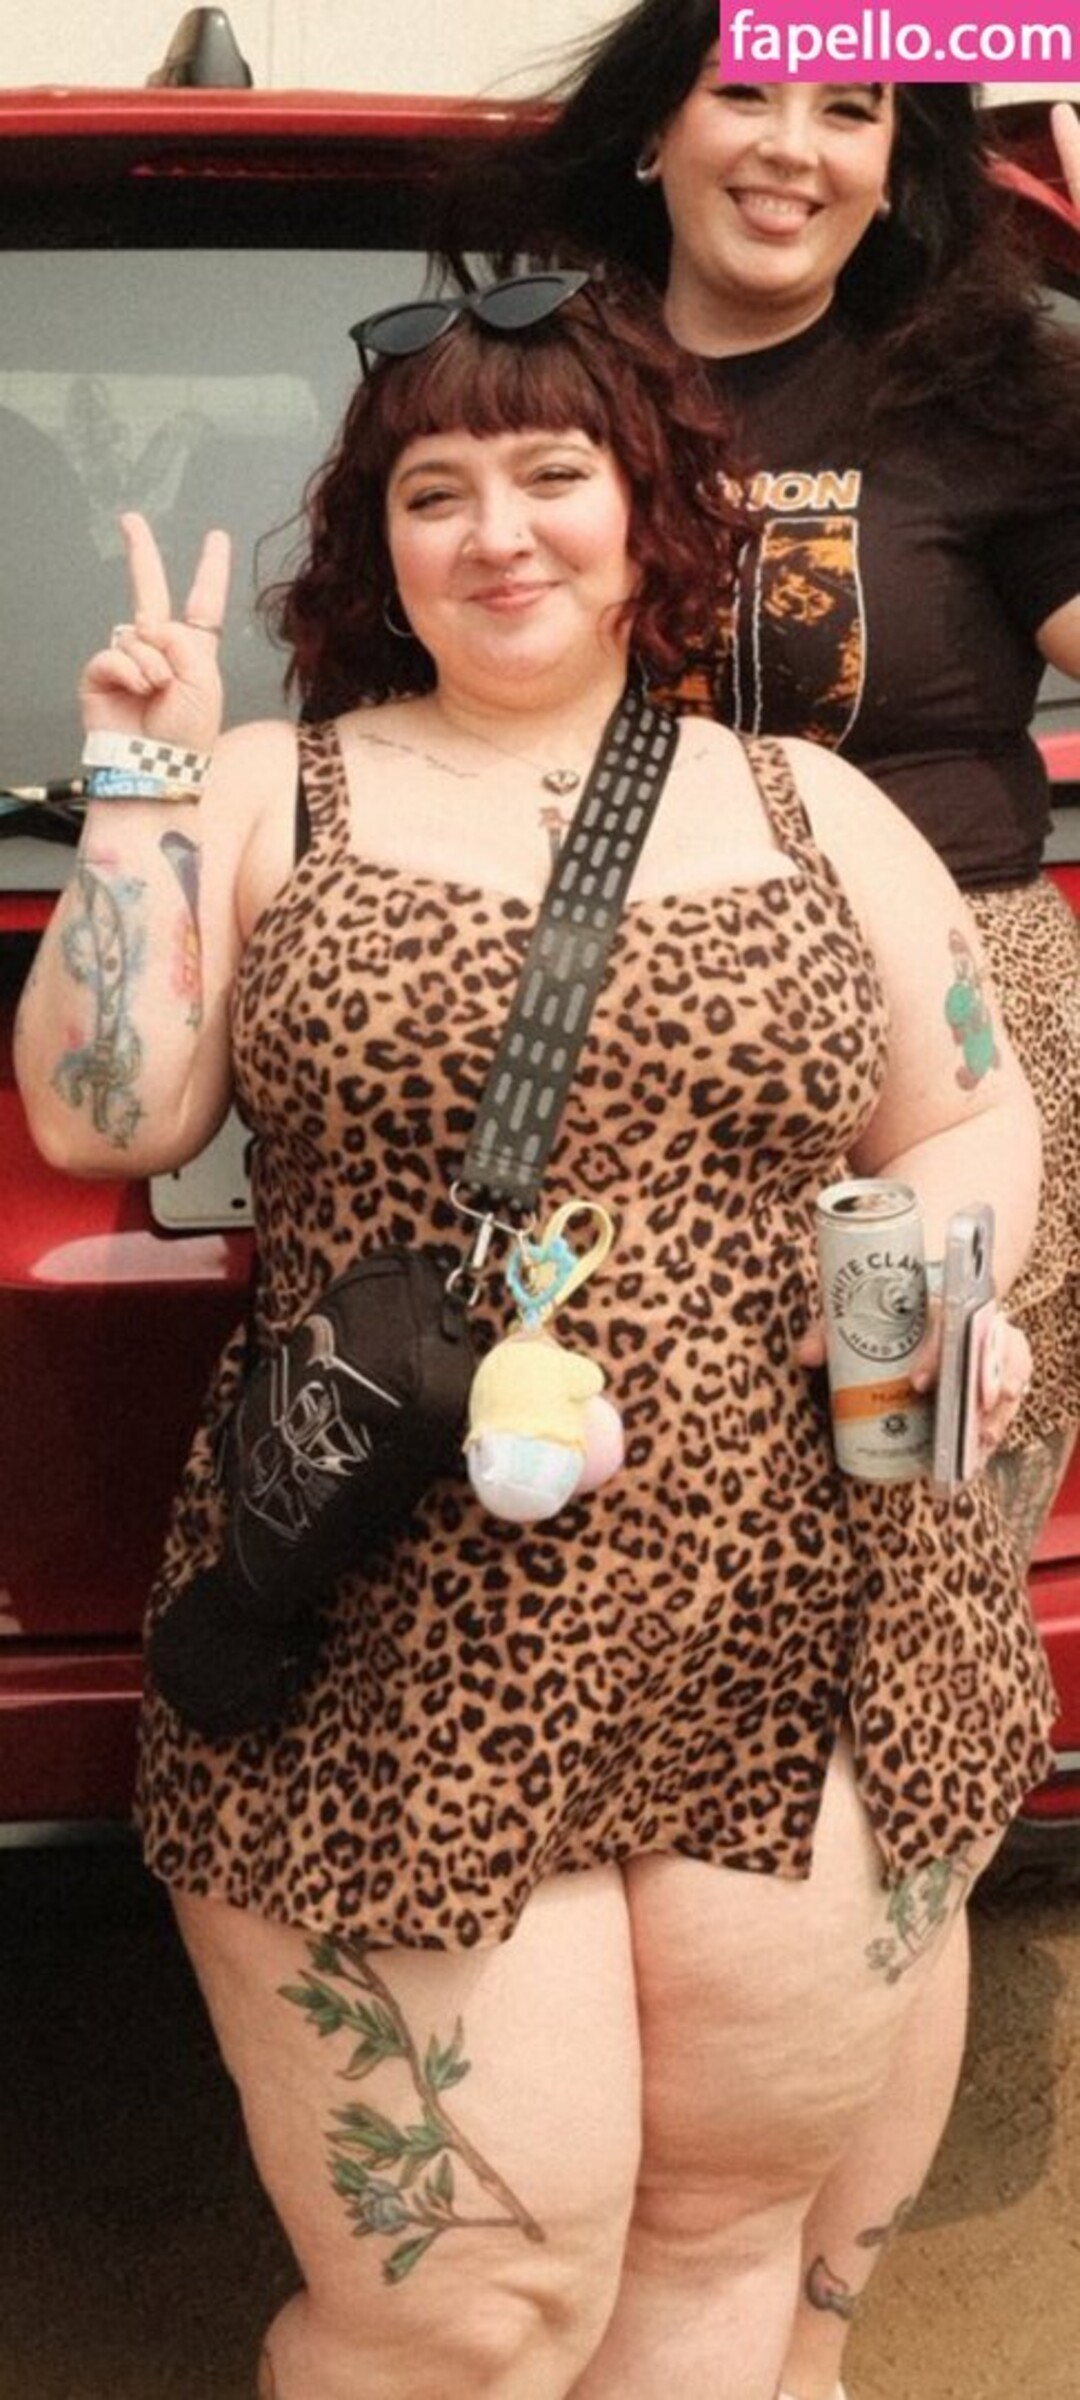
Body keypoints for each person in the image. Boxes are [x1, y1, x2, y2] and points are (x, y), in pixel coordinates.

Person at [15, 271, 1054, 2400]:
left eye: (552, 474)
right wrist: (136, 775)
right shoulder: (269, 785)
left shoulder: (806, 803)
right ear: (377, 546)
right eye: (436, 491)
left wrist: (942, 1306)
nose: (498, 532)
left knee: (719, 2246)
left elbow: (969, 1113)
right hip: (396, 1629)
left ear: (647, 507)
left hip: (793, 1606)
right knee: (464, 2317)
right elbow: (105, 1116)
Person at [436, 29, 1080, 2389]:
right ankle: (626, 2238)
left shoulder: (991, 387)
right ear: (656, 124)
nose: (797, 148)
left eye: (854, 105)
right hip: (610, 1065)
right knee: (638, 1661)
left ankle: (798, 2335)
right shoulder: (542, 379)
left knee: (897, 1693)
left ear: (904, 158)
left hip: (941, 1093)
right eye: (751, 90)